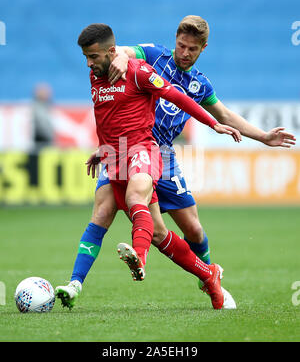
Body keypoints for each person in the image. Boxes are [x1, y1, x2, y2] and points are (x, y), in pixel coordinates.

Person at [84, 15, 297, 288]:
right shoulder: (153, 56)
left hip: (163, 155)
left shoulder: (199, 85)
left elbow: (225, 115)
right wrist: (124, 57)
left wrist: (263, 137)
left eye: (192, 49)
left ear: (203, 48)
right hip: (127, 150)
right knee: (105, 215)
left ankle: (208, 275)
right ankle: (78, 281)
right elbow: (121, 50)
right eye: (181, 45)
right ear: (175, 40)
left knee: (194, 230)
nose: (184, 53)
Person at [55, 23, 241, 310]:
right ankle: (75, 284)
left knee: (135, 199)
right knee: (139, 227)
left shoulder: (140, 71)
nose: (89, 63)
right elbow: (109, 117)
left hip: (143, 150)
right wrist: (102, 149)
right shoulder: (96, 75)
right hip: (114, 157)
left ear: (111, 52)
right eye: (86, 57)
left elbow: (177, 96)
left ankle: (139, 259)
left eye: (93, 56)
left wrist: (213, 123)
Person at [31, 83, 55, 150]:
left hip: (46, 140)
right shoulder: (36, 107)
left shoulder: (47, 106)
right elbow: (42, 126)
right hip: (40, 141)